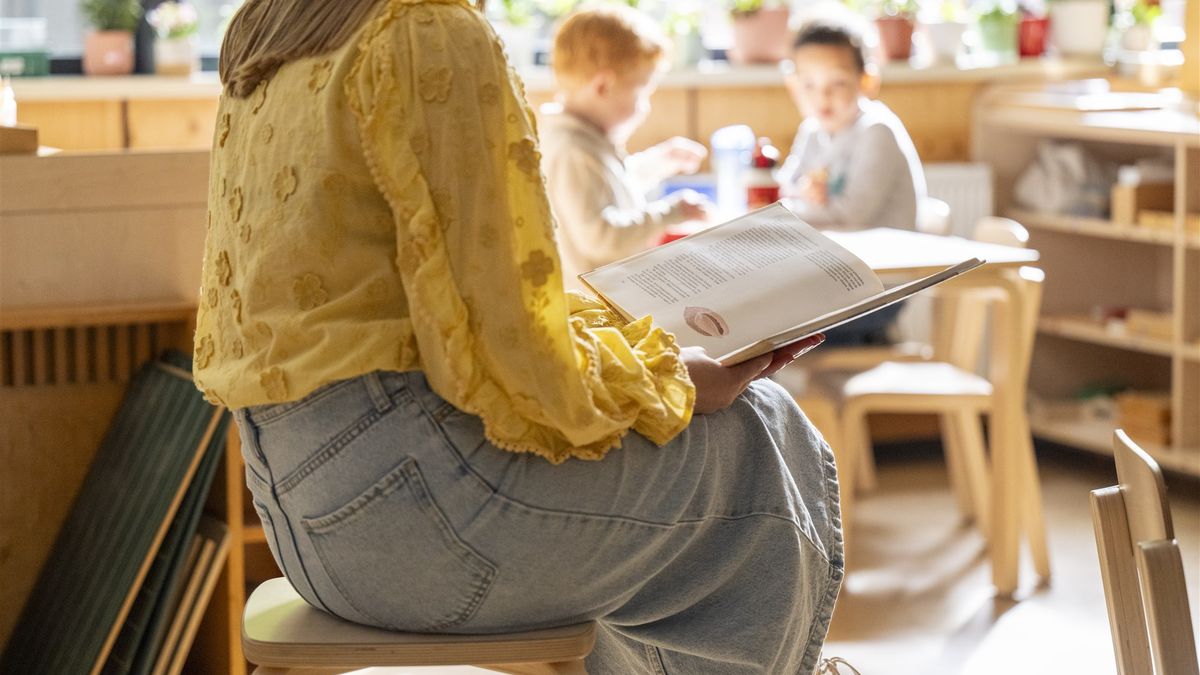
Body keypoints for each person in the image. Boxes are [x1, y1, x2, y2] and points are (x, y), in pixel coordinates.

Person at [194, 1, 842, 672]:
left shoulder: (274, 33)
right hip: (423, 516)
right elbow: (518, 354)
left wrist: (640, 358)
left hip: (298, 518)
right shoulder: (426, 33)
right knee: (759, 432)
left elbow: (449, 313)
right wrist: (674, 378)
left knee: (652, 462)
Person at [538, 5, 711, 289]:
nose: (645, 107)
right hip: (597, 314)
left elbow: (610, 186)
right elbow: (601, 236)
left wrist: (660, 161)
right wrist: (670, 212)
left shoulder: (586, 139)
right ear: (603, 86)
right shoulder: (571, 150)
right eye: (641, 92)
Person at [778, 18, 926, 345]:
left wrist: (800, 207)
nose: (823, 97)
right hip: (833, 284)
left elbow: (853, 215)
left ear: (866, 81)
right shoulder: (813, 130)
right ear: (793, 86)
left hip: (879, 291)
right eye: (810, 85)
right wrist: (802, 192)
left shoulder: (877, 131)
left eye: (838, 83)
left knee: (765, 324)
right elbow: (788, 184)